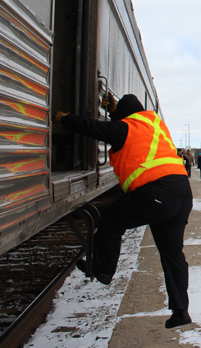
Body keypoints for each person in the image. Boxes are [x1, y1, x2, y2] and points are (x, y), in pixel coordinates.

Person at [53, 93, 193, 329]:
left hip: (157, 194)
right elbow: (123, 123)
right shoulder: (155, 124)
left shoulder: (126, 128)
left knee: (110, 219)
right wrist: (116, 112)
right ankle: (181, 311)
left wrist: (65, 119)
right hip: (181, 194)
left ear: (126, 116)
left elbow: (94, 128)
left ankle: (101, 269)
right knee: (173, 254)